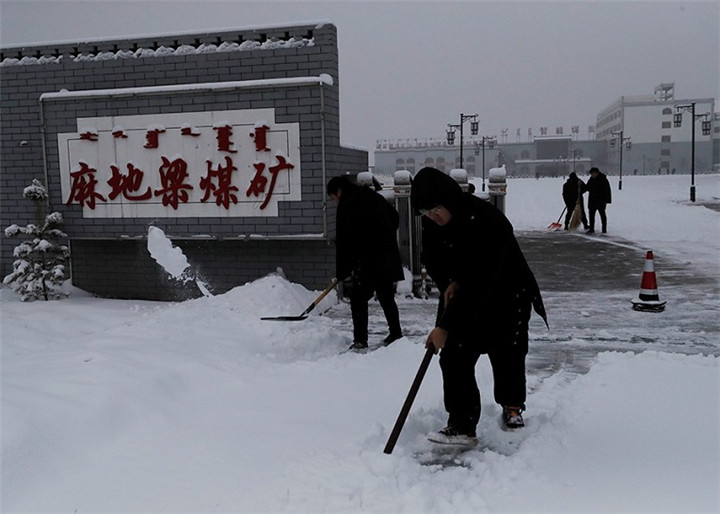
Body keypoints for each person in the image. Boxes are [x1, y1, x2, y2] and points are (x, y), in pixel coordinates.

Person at [410, 167, 547, 446]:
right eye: (426, 212)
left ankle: (512, 406)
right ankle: (461, 423)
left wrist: (444, 326)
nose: (432, 216)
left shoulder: (488, 221)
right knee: (454, 357)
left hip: (507, 295)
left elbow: (479, 282)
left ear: (448, 199)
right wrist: (448, 281)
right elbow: (431, 257)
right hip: (466, 292)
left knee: (507, 353)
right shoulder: (434, 223)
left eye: (435, 209)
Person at [327, 175, 404, 351]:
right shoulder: (371, 195)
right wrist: (385, 235)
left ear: (339, 191)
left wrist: (342, 271)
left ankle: (360, 340)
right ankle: (396, 333)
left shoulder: (347, 206)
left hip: (368, 260)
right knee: (386, 296)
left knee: (358, 299)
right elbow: (394, 216)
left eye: (333, 198)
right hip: (386, 254)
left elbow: (344, 242)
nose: (334, 202)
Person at [585, 167, 612, 234]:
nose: (592, 175)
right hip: (592, 200)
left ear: (597, 173)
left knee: (602, 215)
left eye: (593, 174)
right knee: (591, 215)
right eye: (591, 174)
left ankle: (604, 229)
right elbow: (587, 187)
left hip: (601, 200)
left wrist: (607, 200)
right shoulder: (591, 179)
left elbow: (607, 190)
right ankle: (591, 229)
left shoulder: (603, 179)